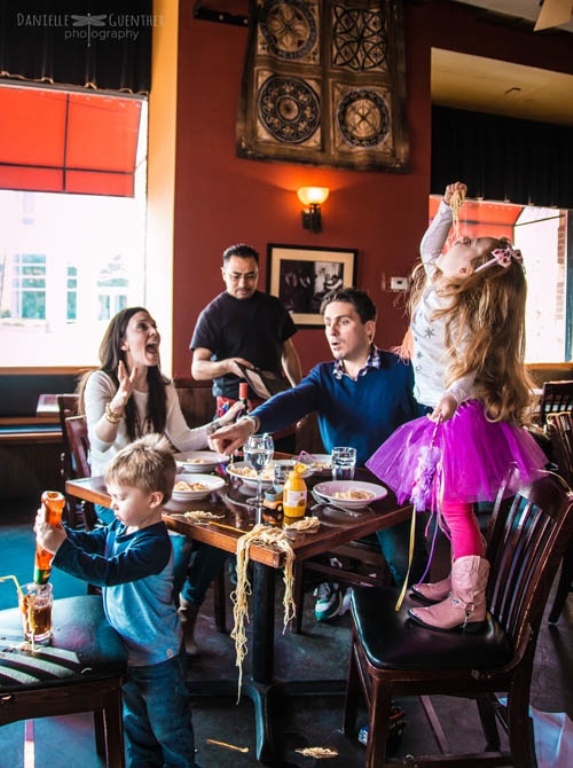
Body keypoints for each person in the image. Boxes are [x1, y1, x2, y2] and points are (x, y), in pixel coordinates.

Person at [366, 181, 548, 632]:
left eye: (467, 244)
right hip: (442, 414)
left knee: (454, 509)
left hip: (458, 418)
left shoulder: (463, 314)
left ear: (468, 273)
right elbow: (431, 242)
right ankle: (457, 580)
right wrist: (447, 211)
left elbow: (471, 367)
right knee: (453, 509)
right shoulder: (439, 280)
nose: (457, 241)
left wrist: (452, 394)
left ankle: (470, 602)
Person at [208, 286, 427, 621]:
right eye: (328, 324)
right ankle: (335, 580)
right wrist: (249, 424)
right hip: (334, 491)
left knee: (403, 563)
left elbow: (429, 428)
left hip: (391, 495)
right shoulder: (324, 376)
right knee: (281, 536)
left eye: (343, 322)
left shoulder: (403, 371)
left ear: (369, 328)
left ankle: (402, 620)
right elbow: (292, 401)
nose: (332, 332)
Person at [78, 306, 241, 653]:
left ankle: (187, 610)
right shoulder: (102, 382)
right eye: (142, 327)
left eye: (154, 326)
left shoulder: (162, 386)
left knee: (220, 538)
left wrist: (222, 423)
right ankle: (163, 618)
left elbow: (182, 440)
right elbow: (100, 440)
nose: (153, 332)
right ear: (122, 341)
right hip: (115, 498)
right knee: (177, 544)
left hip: (157, 494)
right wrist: (120, 400)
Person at [34, 434, 201, 768]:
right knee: (137, 728)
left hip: (158, 657)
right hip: (128, 651)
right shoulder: (121, 528)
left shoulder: (154, 545)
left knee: (171, 732)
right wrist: (62, 534)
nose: (112, 505)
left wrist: (60, 550)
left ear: (154, 499)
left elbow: (108, 572)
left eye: (121, 497)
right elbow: (95, 540)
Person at [190, 242, 302, 453]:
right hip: (233, 408)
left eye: (251, 276)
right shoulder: (212, 314)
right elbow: (197, 369)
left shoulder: (273, 306)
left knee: (283, 470)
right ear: (223, 274)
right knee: (236, 473)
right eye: (236, 276)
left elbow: (288, 353)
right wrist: (229, 365)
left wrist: (298, 393)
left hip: (275, 402)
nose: (244, 283)